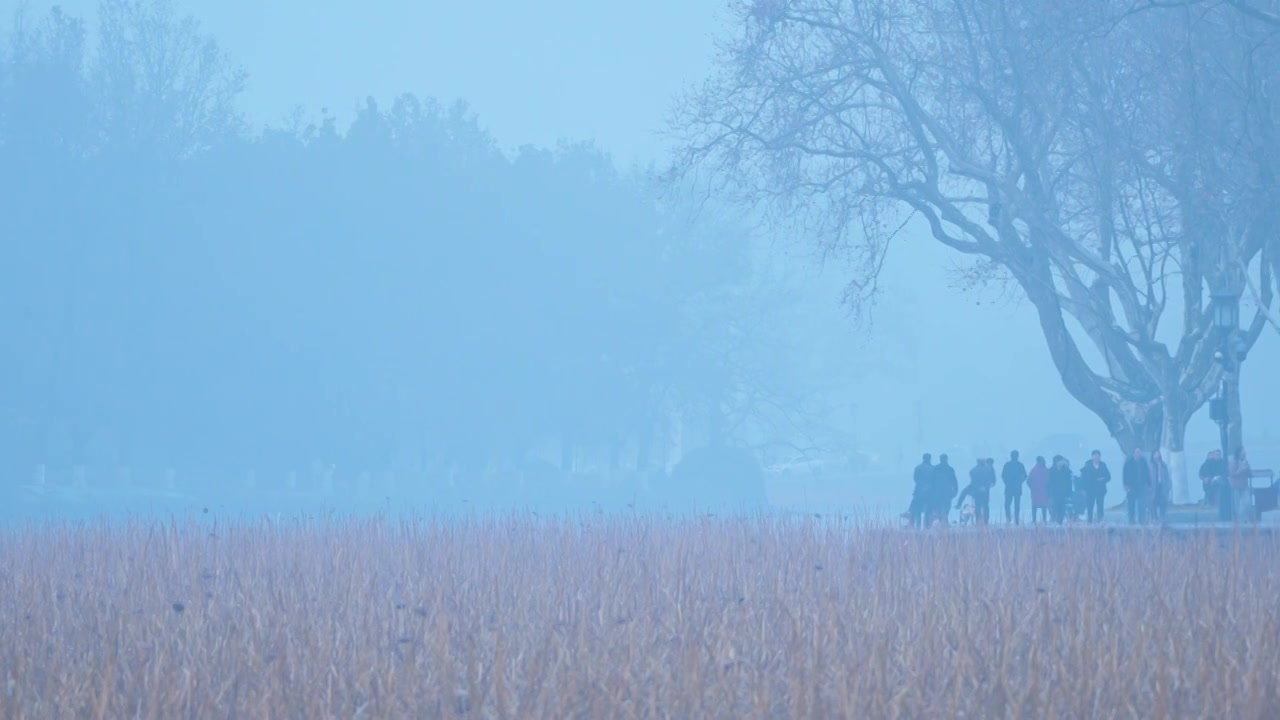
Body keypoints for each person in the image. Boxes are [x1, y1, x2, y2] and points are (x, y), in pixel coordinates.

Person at [957, 458, 995, 526]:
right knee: (985, 505)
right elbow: (992, 480)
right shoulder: (988, 469)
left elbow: (971, 473)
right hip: (985, 489)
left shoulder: (978, 469)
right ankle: (986, 521)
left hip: (976, 488)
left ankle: (959, 505)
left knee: (978, 504)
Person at [1078, 450, 1111, 523]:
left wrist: (1103, 479)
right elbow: (1082, 479)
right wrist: (1083, 489)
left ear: (1100, 457)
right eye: (1095, 456)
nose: (1096, 457)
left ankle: (1100, 522)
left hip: (1100, 490)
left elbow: (1108, 477)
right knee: (1090, 507)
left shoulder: (1103, 465)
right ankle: (1089, 522)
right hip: (1090, 490)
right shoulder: (1087, 466)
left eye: (1098, 456)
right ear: (1092, 457)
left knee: (1100, 507)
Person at [1123, 448, 1151, 525]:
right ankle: (1131, 520)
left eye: (1139, 452)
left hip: (1141, 487)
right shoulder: (1128, 462)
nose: (1138, 454)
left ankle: (1141, 519)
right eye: (1136, 452)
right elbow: (1124, 474)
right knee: (1131, 504)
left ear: (1141, 453)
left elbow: (1147, 474)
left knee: (1142, 505)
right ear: (1134, 453)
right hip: (1131, 487)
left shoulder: (1144, 462)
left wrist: (1149, 485)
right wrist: (1125, 484)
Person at [908, 453, 934, 529]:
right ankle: (927, 526)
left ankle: (917, 525)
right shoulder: (933, 469)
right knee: (928, 510)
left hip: (919, 491)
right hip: (930, 492)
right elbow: (934, 481)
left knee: (917, 509)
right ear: (929, 459)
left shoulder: (918, 468)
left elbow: (915, 479)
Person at [1002, 450, 1027, 524]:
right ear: (1017, 456)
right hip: (1017, 488)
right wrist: (1019, 482)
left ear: (1011, 456)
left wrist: (1006, 482)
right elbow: (1025, 476)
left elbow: (1003, 476)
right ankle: (1016, 520)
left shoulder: (1007, 465)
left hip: (1009, 487)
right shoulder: (1020, 465)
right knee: (1017, 505)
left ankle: (1008, 518)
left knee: (1007, 504)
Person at [934, 454, 959, 526]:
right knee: (946, 505)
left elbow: (932, 480)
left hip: (939, 491)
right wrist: (956, 489)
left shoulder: (936, 468)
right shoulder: (949, 469)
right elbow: (954, 480)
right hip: (946, 491)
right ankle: (944, 520)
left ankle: (943, 519)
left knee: (942, 505)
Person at [1229, 447, 1253, 522]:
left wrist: (1248, 469)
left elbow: (1249, 474)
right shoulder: (1233, 462)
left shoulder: (1245, 461)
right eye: (1243, 451)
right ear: (1239, 453)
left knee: (1247, 503)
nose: (1245, 452)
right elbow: (1231, 474)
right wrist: (1240, 470)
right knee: (1236, 505)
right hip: (1235, 486)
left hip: (1244, 486)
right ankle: (1238, 520)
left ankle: (1244, 519)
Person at [1048, 455, 1073, 525]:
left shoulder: (1066, 471)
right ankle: (1055, 524)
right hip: (1054, 493)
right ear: (1055, 462)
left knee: (1062, 510)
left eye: (1061, 460)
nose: (1060, 462)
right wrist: (1049, 494)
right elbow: (1048, 483)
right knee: (1054, 509)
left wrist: (1069, 493)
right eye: (1059, 461)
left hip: (1063, 493)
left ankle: (1059, 523)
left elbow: (1069, 483)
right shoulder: (1051, 471)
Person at [1027, 456, 1051, 524]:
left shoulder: (1033, 470)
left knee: (1035, 506)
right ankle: (1044, 520)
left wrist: (1032, 488)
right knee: (1043, 506)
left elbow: (1028, 481)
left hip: (1036, 491)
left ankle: (1034, 520)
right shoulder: (1045, 470)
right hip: (1043, 491)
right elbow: (1049, 481)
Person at [1149, 449, 1170, 522]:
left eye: (1158, 454)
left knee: (1163, 504)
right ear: (1153, 455)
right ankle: (1154, 519)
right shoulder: (1150, 466)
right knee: (1153, 504)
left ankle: (1162, 519)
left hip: (1162, 487)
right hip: (1154, 488)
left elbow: (1167, 478)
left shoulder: (1164, 466)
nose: (1157, 456)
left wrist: (1168, 488)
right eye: (1155, 454)